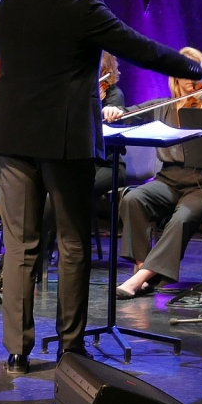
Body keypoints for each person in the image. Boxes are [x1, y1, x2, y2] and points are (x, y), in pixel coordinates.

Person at [0, 0, 202, 374]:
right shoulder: (82, 6)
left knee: (21, 246)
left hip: (13, 137)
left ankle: (17, 350)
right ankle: (71, 348)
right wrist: (198, 71)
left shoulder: (6, 2)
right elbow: (139, 49)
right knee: (72, 242)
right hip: (65, 139)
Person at [114, 47, 202, 299]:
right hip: (168, 180)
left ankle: (140, 278)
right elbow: (127, 116)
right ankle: (144, 270)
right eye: (184, 71)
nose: (190, 77)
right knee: (134, 198)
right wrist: (114, 112)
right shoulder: (163, 107)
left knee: (182, 217)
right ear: (175, 76)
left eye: (196, 71)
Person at [36, 52, 127, 280]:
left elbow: (115, 113)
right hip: (75, 163)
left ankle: (41, 259)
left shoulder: (113, 95)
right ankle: (34, 259)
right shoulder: (70, 93)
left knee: (54, 197)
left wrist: (110, 111)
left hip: (106, 165)